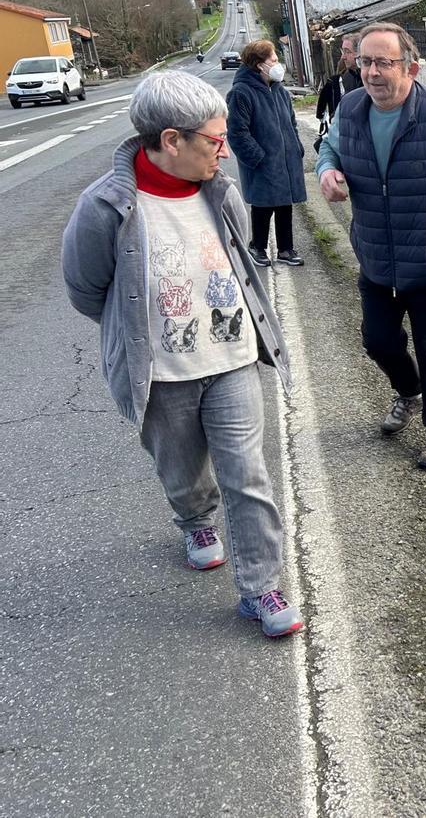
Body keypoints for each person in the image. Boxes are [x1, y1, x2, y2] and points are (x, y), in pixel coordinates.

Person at [61, 70, 304, 639]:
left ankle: (260, 587)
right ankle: (195, 520)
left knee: (248, 475)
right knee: (183, 470)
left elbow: (242, 257)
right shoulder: (106, 207)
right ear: (172, 140)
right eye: (214, 142)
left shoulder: (220, 190)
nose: (223, 151)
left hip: (233, 359)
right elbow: (86, 289)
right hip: (163, 373)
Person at [316, 22, 426, 471]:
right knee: (377, 342)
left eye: (383, 62)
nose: (372, 72)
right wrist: (327, 171)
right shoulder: (351, 108)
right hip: (376, 257)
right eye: (365, 61)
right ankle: (408, 393)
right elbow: (329, 149)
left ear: (411, 68)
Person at [226, 39, 306, 268]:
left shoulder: (279, 91)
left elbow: (292, 122)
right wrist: (257, 158)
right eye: (273, 59)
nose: (277, 64)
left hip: (286, 159)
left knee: (284, 203)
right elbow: (237, 132)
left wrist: (296, 147)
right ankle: (257, 246)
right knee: (263, 205)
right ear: (259, 64)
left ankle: (285, 249)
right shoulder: (241, 92)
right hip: (262, 162)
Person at [315, 33, 362, 124]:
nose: (343, 57)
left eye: (347, 52)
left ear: (360, 53)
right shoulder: (346, 78)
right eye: (343, 51)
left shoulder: (370, 79)